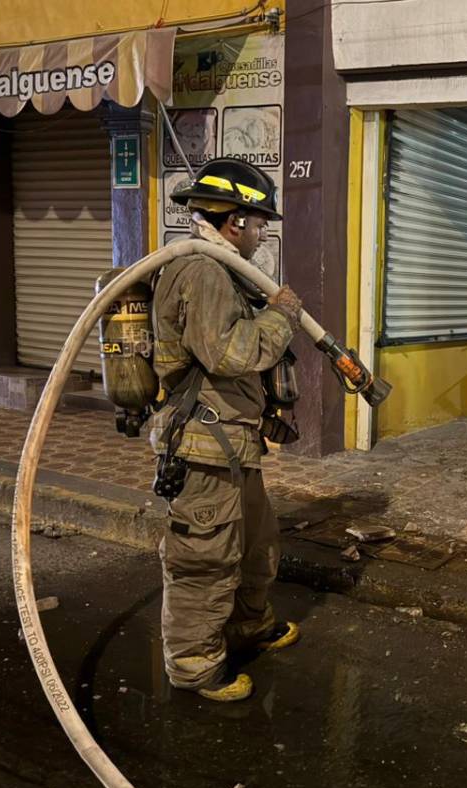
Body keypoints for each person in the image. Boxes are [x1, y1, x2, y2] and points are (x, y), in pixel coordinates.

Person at [148, 157, 302, 702]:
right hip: (203, 448)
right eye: (260, 223)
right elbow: (233, 352)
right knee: (205, 560)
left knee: (257, 544)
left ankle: (246, 625)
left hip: (234, 443)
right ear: (235, 220)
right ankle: (193, 666)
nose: (262, 234)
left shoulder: (222, 270)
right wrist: (282, 314)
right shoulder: (203, 272)